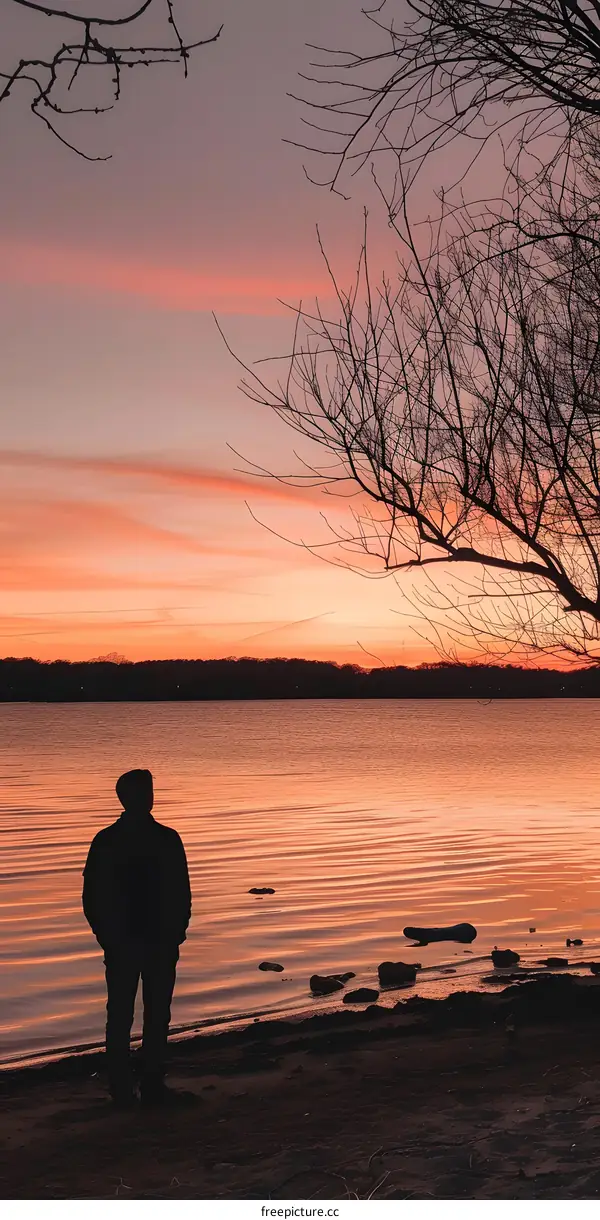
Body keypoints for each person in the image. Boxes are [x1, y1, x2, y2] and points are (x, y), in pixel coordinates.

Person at [82, 769, 191, 1108]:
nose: (149, 797)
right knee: (131, 1014)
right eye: (146, 792)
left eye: (149, 792)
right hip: (131, 941)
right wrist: (106, 936)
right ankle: (129, 1083)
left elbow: (182, 892)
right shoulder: (114, 840)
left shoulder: (145, 838)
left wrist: (178, 930)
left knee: (144, 1013)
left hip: (150, 941)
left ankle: (145, 1082)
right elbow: (91, 898)